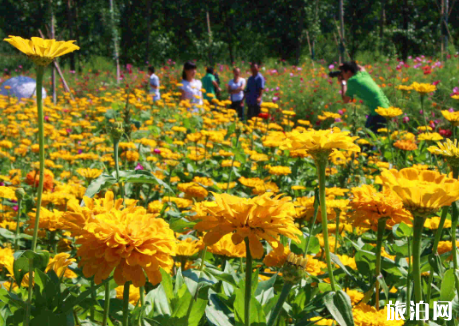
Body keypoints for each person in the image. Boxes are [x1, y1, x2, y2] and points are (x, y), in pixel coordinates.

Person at [338, 61, 390, 133]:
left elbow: (346, 100)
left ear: (349, 72)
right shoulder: (363, 73)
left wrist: (343, 83)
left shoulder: (352, 81)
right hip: (386, 107)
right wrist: (348, 65)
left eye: (343, 72)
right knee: (368, 133)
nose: (342, 75)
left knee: (369, 138)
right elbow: (361, 67)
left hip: (379, 111)